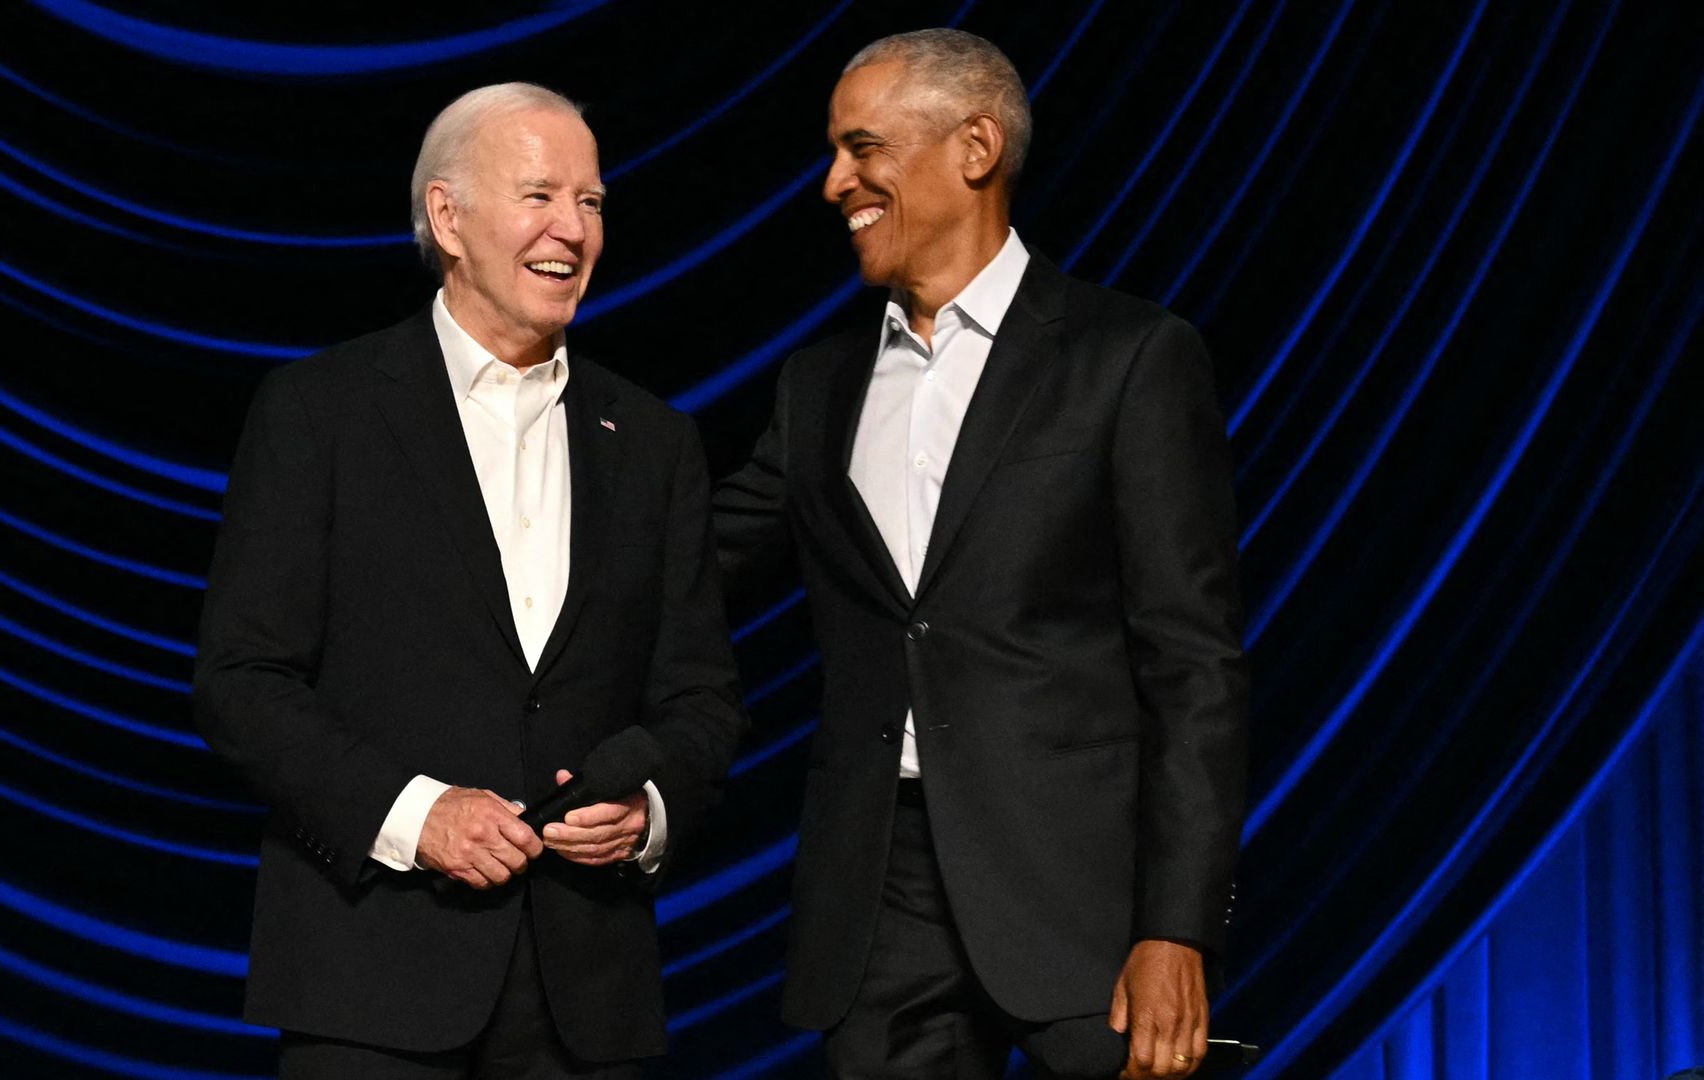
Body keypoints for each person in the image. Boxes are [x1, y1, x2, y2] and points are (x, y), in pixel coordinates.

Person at [712, 30, 1250, 1080]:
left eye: (862, 148)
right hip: (880, 898)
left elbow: (1195, 667)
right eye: (832, 153)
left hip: (1083, 897)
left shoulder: (1127, 357)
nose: (834, 185)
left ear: (974, 146)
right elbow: (689, 567)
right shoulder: (817, 388)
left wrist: (1177, 927)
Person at [195, 82, 746, 1079]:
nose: (572, 230)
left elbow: (702, 698)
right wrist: (416, 814)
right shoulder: (320, 412)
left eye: (593, 202)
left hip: (590, 999)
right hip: (373, 980)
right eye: (540, 195)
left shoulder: (656, 442)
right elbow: (242, 682)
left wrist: (650, 809)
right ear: (448, 217)